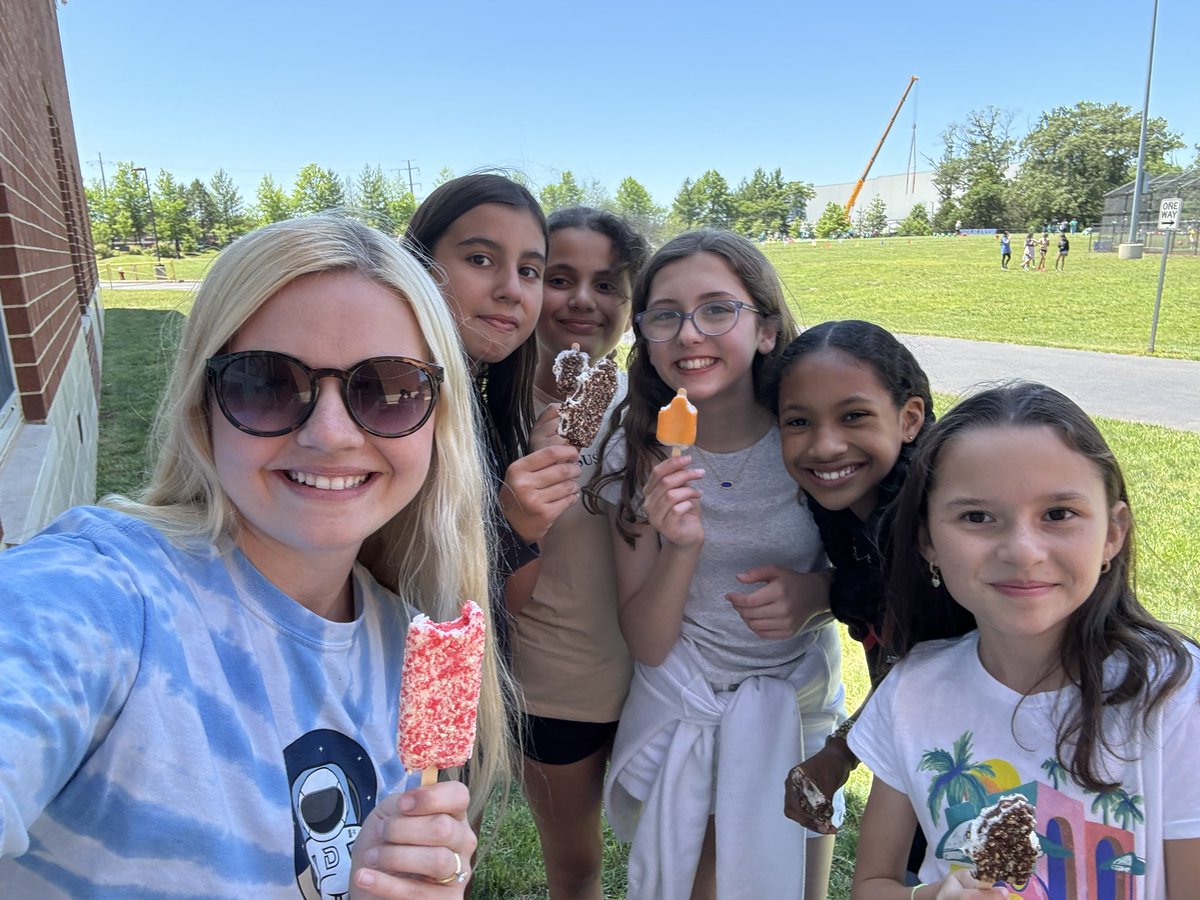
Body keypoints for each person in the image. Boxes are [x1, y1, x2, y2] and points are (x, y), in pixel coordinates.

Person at [0, 215, 513, 897]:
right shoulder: (105, 591)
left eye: (387, 389)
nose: (330, 434)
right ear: (201, 408)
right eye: (265, 383)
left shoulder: (404, 642)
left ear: (436, 420)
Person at [849, 381, 1200, 900]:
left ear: (1112, 532)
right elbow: (873, 884)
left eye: (1058, 514)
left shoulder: (1176, 696)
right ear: (928, 540)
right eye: (977, 517)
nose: (1022, 550)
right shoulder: (911, 692)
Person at [591, 230, 845, 899]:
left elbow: (885, 572)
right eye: (665, 315)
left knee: (799, 884)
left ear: (764, 328)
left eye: (717, 309)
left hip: (799, 706)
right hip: (690, 706)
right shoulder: (637, 452)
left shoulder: (811, 439)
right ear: (644, 335)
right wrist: (680, 546)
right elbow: (646, 642)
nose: (689, 333)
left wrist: (820, 593)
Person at [770, 322, 967, 835]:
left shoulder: (937, 533)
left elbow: (943, 674)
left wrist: (840, 752)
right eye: (798, 422)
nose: (825, 445)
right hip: (930, 770)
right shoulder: (851, 522)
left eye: (854, 416)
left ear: (909, 419)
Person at [511, 207, 649, 899]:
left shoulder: (660, 402)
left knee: (683, 858)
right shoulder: (491, 411)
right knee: (576, 866)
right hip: (557, 688)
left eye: (607, 283)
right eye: (559, 278)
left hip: (666, 682)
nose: (583, 301)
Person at [404, 174, 582, 661]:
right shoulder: (391, 407)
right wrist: (510, 526)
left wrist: (525, 522)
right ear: (419, 262)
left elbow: (505, 607)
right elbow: (401, 603)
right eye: (480, 259)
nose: (511, 290)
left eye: (530, 271)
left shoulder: (485, 410)